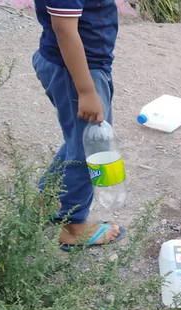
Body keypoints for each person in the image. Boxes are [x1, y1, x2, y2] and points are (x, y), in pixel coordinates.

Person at [33, 0, 124, 249]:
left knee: (79, 141)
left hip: (85, 66)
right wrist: (86, 89)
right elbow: (64, 27)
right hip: (76, 73)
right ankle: (73, 227)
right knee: (89, 151)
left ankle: (48, 200)